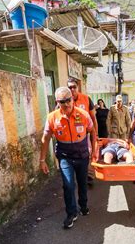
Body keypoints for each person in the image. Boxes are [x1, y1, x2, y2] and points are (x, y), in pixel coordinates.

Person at [39, 87, 97, 229]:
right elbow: (45, 139)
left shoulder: (83, 114)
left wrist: (94, 151)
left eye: (69, 100)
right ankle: (71, 213)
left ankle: (83, 206)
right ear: (57, 102)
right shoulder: (52, 117)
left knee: (82, 183)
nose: (67, 104)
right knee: (68, 185)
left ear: (72, 98)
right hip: (65, 157)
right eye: (62, 101)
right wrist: (42, 160)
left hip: (82, 156)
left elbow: (92, 132)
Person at [67, 78, 97, 185]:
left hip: (86, 133)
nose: (72, 89)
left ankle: (89, 175)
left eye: (74, 87)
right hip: (70, 135)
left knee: (88, 153)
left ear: (78, 87)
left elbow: (93, 118)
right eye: (69, 87)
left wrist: (95, 134)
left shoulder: (86, 99)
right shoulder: (65, 100)